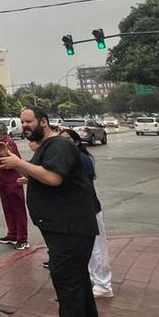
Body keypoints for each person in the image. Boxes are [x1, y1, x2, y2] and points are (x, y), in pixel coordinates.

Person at [0, 107, 103, 317]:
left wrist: (18, 164)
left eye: (29, 121)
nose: (25, 126)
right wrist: (22, 172)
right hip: (61, 228)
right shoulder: (48, 147)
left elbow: (53, 177)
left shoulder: (60, 145)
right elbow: (45, 175)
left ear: (44, 122)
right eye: (22, 122)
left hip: (70, 229)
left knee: (67, 285)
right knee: (75, 282)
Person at [60, 128, 113, 299]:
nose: (64, 143)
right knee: (89, 250)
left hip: (89, 209)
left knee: (97, 249)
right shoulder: (72, 159)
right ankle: (96, 280)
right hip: (80, 211)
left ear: (76, 142)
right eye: (61, 140)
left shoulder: (81, 159)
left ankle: (103, 285)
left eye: (68, 139)